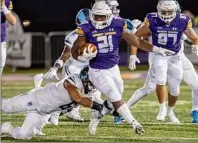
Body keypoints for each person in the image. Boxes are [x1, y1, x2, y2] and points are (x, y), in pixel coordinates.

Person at [72, 1, 175, 135]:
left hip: (113, 67)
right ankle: (134, 124)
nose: (98, 19)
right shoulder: (85, 27)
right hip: (97, 70)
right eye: (96, 16)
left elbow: (136, 41)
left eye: (102, 16)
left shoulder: (118, 24)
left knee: (116, 95)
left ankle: (97, 115)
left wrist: (156, 49)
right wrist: (81, 58)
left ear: (109, 15)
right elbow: (74, 50)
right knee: (115, 97)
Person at [127, 0, 198, 123]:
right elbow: (137, 37)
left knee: (189, 86)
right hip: (158, 54)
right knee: (153, 84)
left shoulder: (182, 21)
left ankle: (194, 111)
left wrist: (195, 45)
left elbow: (193, 38)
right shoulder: (153, 20)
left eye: (169, 12)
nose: (166, 15)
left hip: (178, 58)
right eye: (163, 12)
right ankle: (126, 109)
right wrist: (133, 55)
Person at [1, 67, 103, 140]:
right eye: (91, 82)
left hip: (43, 113)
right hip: (34, 99)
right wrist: (98, 106)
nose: (92, 86)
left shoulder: (88, 91)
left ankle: (6, 128)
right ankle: (37, 85)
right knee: (4, 106)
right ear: (85, 77)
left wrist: (112, 109)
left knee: (23, 136)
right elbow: (78, 98)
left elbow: (99, 102)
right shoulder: (74, 80)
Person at [43, 8, 103, 124]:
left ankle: (90, 112)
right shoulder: (74, 35)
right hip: (73, 67)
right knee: (69, 94)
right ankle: (52, 113)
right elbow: (65, 54)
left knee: (95, 91)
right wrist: (55, 68)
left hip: (88, 67)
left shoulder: (96, 33)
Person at [0, 0, 16, 78]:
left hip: (1, 40)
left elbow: (12, 21)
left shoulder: (6, 1)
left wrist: (3, 6)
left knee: (1, 65)